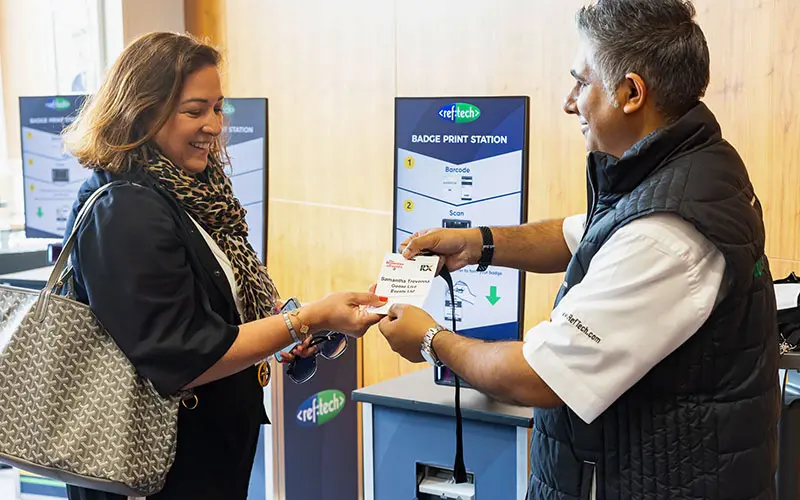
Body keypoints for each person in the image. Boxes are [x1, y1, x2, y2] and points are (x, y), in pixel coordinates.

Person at [378, 1, 779, 499]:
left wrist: (430, 339)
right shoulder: (688, 168)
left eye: (581, 82)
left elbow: (539, 376)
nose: (570, 103)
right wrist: (477, 243)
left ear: (631, 93)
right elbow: (580, 236)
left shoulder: (667, 233)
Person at [61, 32, 383, 500]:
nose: (214, 125)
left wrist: (287, 324)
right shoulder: (126, 210)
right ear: (142, 112)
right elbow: (183, 356)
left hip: (205, 455)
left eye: (218, 108)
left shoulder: (192, 192)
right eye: (195, 111)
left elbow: (211, 312)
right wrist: (302, 321)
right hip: (153, 471)